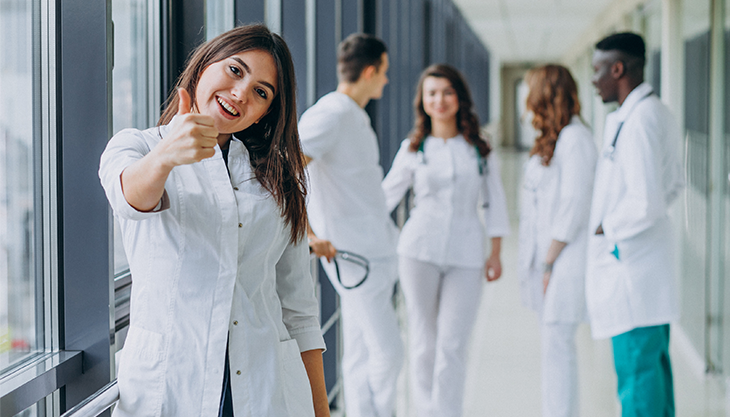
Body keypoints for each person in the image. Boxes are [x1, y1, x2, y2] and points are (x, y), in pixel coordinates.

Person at [98, 24, 329, 417]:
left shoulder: (277, 179)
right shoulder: (138, 146)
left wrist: (322, 411)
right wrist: (167, 156)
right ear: (205, 64)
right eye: (235, 71)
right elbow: (129, 197)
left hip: (265, 384)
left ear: (264, 114)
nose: (240, 93)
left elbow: (298, 308)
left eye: (261, 92)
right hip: (172, 385)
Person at [381, 64, 509, 417]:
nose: (440, 100)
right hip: (418, 251)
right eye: (432, 93)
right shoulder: (414, 147)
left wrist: (495, 252)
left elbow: (495, 201)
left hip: (467, 254)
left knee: (452, 345)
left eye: (447, 92)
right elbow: (384, 200)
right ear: (422, 101)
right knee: (423, 343)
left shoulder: (480, 148)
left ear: (459, 98)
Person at [298, 33, 402, 417]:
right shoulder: (332, 114)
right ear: (371, 71)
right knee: (389, 352)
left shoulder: (352, 115)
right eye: (385, 73)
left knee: (359, 354)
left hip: (372, 249)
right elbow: (287, 170)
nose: (387, 81)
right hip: (353, 255)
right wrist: (309, 235)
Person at [587, 32, 684, 416]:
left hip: (633, 273)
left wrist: (605, 228)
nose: (594, 81)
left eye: (598, 71)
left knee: (638, 378)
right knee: (652, 373)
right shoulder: (653, 112)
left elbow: (645, 201)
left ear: (618, 68)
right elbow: (673, 185)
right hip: (644, 268)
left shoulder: (641, 121)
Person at [517, 64, 597, 417]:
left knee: (558, 348)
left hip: (564, 259)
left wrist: (549, 260)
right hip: (548, 259)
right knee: (553, 350)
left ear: (546, 96)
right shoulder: (559, 138)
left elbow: (574, 205)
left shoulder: (576, 139)